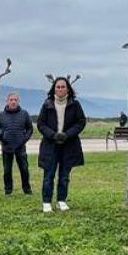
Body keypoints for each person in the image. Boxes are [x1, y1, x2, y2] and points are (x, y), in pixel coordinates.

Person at [37, 77, 87, 213]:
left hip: (69, 145)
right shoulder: (47, 104)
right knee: (49, 174)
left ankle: (61, 200)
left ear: (68, 89)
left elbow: (81, 122)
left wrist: (68, 134)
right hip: (50, 144)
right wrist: (53, 135)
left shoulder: (75, 105)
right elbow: (41, 124)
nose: (60, 89)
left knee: (64, 175)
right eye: (58, 87)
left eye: (63, 87)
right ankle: (46, 202)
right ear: (54, 89)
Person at [0, 92, 34, 195]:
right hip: (7, 147)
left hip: (20, 147)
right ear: (7, 101)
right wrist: (0, 137)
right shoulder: (1, 115)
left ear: (18, 101)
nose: (13, 102)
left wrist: (25, 139)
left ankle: (27, 190)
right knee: (7, 170)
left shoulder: (24, 114)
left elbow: (30, 128)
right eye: (11, 100)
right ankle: (8, 190)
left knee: (24, 169)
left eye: (15, 100)